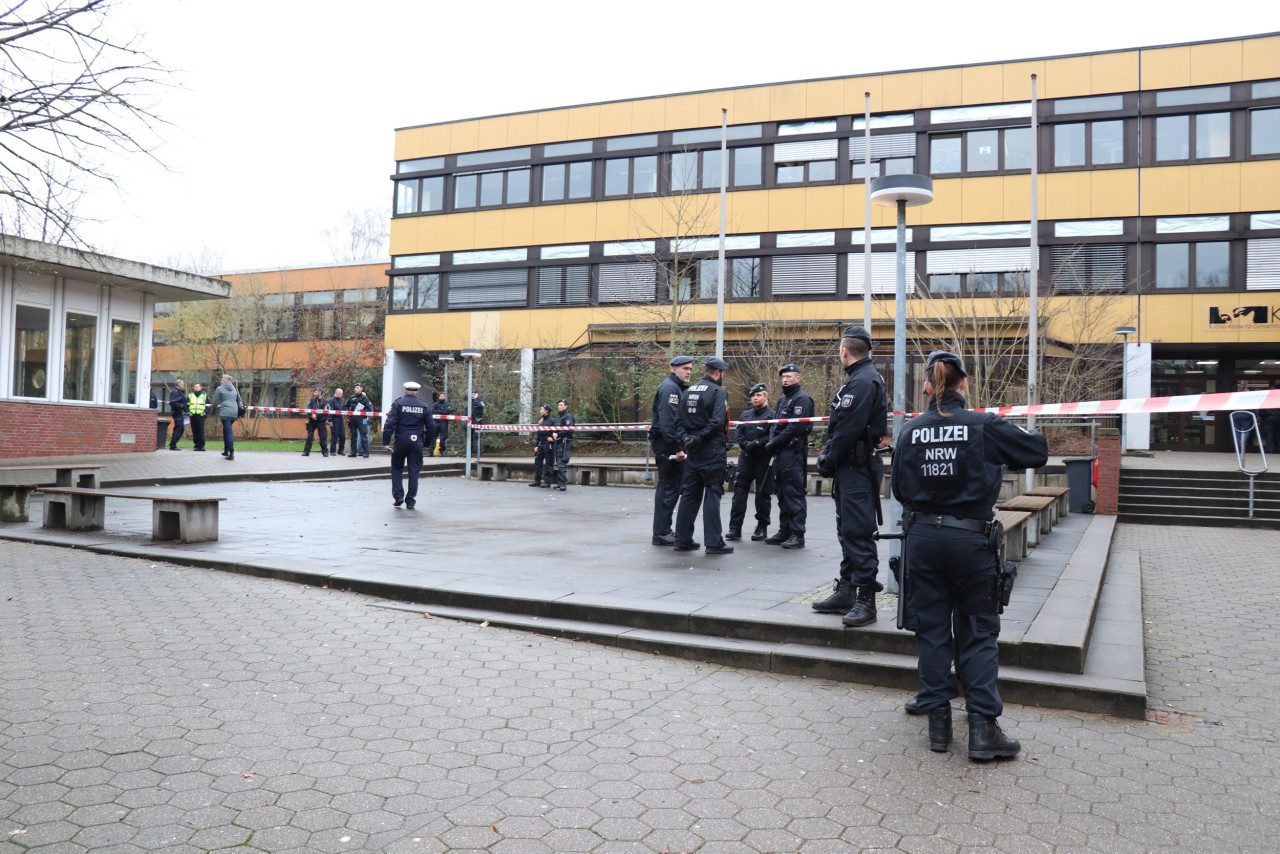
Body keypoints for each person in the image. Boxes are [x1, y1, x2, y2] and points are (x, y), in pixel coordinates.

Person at [892, 350, 1048, 760]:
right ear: (963, 384)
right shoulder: (983, 424)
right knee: (978, 631)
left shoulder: (910, 431)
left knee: (932, 631)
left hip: (922, 540)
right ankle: (982, 731)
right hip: (970, 541)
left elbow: (899, 491)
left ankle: (938, 725)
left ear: (928, 387)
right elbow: (1035, 452)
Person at [812, 326, 889, 627]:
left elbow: (848, 428)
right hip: (851, 467)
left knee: (858, 532)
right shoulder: (861, 378)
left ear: (845, 352)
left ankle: (866, 599)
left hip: (856, 466)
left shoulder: (863, 381)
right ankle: (847, 589)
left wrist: (828, 459)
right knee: (847, 529)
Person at [673, 356, 733, 555]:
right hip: (711, 450)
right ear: (718, 373)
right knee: (712, 494)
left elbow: (678, 422)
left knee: (689, 495)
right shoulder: (718, 391)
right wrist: (699, 439)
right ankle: (714, 542)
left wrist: (687, 440)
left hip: (693, 452)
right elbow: (717, 421)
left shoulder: (688, 390)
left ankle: (682, 539)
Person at [764, 364, 814, 548]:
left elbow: (795, 428)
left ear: (798, 378)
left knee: (794, 493)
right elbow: (775, 424)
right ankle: (785, 529)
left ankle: (797, 533)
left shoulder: (802, 399)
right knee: (782, 493)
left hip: (793, 452)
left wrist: (775, 442)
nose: (785, 380)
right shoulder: (782, 401)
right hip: (780, 453)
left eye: (789, 376)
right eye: (783, 377)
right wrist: (772, 441)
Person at [650, 355, 694, 546]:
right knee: (668, 489)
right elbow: (669, 423)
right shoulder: (670, 389)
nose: (689, 372)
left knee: (671, 489)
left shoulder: (675, 387)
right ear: (674, 369)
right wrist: (677, 448)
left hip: (668, 445)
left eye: (690, 369)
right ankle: (661, 532)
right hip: (668, 447)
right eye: (685, 368)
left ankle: (663, 530)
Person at [727, 382, 775, 542]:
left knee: (762, 495)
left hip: (763, 459)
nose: (755, 398)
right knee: (739, 495)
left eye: (758, 395)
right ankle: (735, 528)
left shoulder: (771, 416)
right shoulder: (745, 415)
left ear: (765, 396)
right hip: (746, 459)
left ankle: (762, 527)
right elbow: (739, 433)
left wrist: (756, 443)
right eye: (753, 396)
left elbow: (771, 436)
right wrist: (745, 444)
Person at [382, 381, 436, 509]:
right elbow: (431, 427)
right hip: (416, 440)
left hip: (400, 440)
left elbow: (390, 424)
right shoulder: (424, 406)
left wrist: (386, 441)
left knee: (396, 468)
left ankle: (398, 497)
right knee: (414, 471)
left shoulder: (398, 403)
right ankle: (410, 501)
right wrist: (427, 443)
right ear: (417, 392)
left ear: (405, 390)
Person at [211, 375, 242, 461]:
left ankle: (231, 452)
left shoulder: (219, 388)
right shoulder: (234, 389)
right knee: (226, 430)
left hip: (225, 412)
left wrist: (212, 413)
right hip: (234, 412)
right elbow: (238, 401)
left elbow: (215, 402)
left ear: (225, 381)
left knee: (228, 432)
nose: (221, 381)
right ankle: (226, 451)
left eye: (222, 379)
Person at [551, 398, 575, 491]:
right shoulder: (558, 417)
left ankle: (563, 483)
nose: (559, 407)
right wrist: (553, 433)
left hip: (564, 442)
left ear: (566, 406)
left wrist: (558, 434)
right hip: (557, 441)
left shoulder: (568, 416)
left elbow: (569, 430)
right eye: (559, 405)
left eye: (561, 405)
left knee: (562, 462)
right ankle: (559, 481)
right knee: (558, 461)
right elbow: (555, 428)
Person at [530, 403, 554, 488]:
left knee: (548, 462)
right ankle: (537, 480)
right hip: (541, 443)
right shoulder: (541, 421)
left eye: (542, 409)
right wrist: (536, 445)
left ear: (547, 411)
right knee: (538, 461)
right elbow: (538, 434)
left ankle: (547, 482)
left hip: (548, 444)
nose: (540, 411)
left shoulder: (551, 421)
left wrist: (551, 438)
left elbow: (554, 433)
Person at [301, 386, 329, 457]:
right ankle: (306, 452)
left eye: (316, 392)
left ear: (320, 393)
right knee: (310, 436)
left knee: (322, 437)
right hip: (312, 421)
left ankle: (325, 452)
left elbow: (325, 412)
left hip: (321, 421)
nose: (314, 393)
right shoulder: (312, 400)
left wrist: (316, 415)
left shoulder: (325, 402)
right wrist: (311, 415)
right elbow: (308, 409)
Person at [348, 384, 373, 458]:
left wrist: (362, 410)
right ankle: (353, 452)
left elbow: (369, 409)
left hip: (361, 419)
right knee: (353, 436)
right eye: (355, 387)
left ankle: (365, 452)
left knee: (363, 435)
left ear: (361, 389)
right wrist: (348, 412)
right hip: (353, 418)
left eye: (357, 387)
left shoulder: (364, 398)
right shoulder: (351, 397)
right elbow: (345, 406)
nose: (355, 389)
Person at [187, 381, 209, 451]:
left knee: (200, 430)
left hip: (201, 415)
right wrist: (188, 412)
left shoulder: (205, 395)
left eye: (198, 386)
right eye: (195, 387)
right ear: (193, 388)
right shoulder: (190, 395)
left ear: (201, 387)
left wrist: (205, 413)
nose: (197, 388)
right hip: (192, 415)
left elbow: (209, 406)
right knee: (194, 430)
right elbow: (186, 405)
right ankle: (196, 445)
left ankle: (201, 446)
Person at [167, 380, 189, 450]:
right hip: (177, 412)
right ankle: (173, 445)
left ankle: (173, 444)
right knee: (179, 428)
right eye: (182, 384)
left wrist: (186, 410)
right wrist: (181, 406)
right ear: (178, 385)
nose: (183, 386)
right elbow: (172, 402)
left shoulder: (179, 393)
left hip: (179, 413)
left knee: (180, 428)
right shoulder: (175, 392)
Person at [328, 388, 346, 457]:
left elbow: (344, 409)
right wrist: (330, 420)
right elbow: (330, 411)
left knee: (342, 436)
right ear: (337, 393)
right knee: (335, 436)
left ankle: (340, 451)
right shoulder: (331, 401)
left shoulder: (341, 401)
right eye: (341, 393)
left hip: (340, 420)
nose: (342, 395)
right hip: (334, 420)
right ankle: (332, 451)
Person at [468, 390, 486, 458]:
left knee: (477, 437)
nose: (472, 395)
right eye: (471, 394)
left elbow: (481, 406)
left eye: (473, 394)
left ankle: (478, 453)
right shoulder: (470, 402)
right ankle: (469, 453)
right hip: (470, 420)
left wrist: (475, 399)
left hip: (477, 420)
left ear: (476, 394)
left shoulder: (479, 401)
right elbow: (466, 410)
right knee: (469, 437)